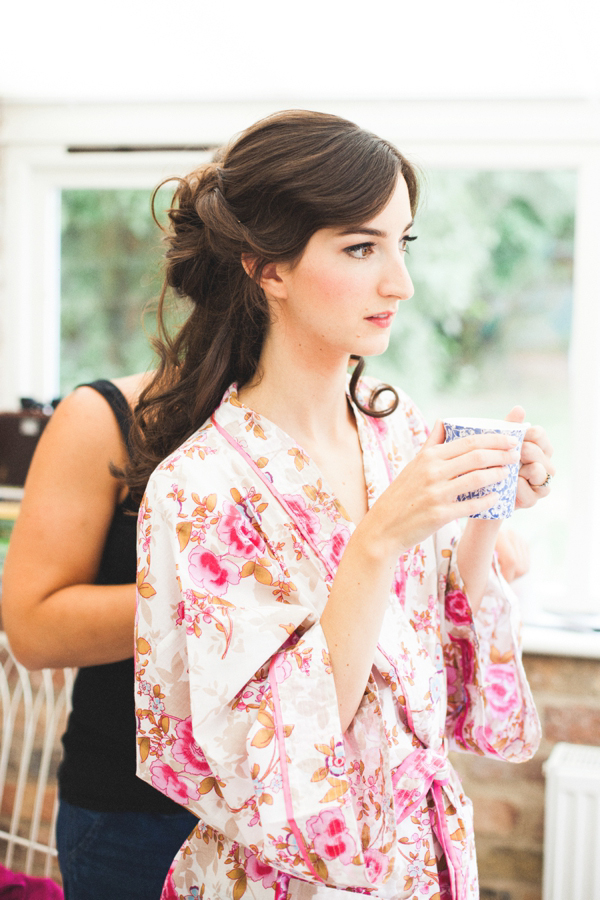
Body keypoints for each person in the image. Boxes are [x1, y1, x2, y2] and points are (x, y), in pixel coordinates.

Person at [2, 375, 198, 899]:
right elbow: (33, 628)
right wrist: (220, 602)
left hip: (302, 815)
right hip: (139, 821)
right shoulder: (106, 417)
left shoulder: (368, 424)